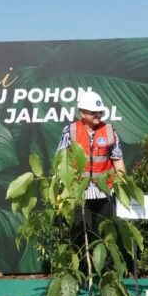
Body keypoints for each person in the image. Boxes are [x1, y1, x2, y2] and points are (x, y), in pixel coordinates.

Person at [56, 90, 127, 239]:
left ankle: (106, 263)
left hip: (104, 192)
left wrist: (123, 185)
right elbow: (61, 161)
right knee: (81, 237)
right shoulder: (70, 131)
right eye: (93, 112)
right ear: (82, 112)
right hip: (79, 192)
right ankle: (84, 263)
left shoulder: (109, 130)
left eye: (100, 112)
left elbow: (118, 159)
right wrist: (63, 188)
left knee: (105, 236)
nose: (98, 115)